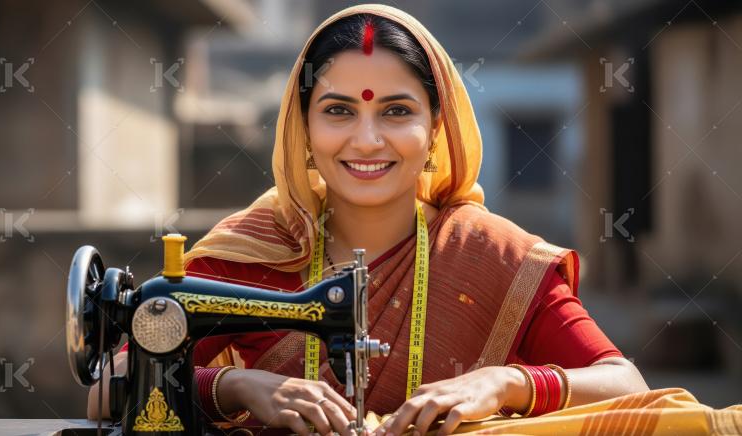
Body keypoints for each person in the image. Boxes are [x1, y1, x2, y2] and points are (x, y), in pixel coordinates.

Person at [87, 4, 649, 436]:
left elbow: (625, 384)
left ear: (435, 129)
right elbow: (108, 389)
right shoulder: (248, 253)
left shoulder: (494, 256)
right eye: (338, 111)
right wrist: (234, 386)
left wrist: (504, 382)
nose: (367, 140)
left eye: (397, 111)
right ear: (302, 130)